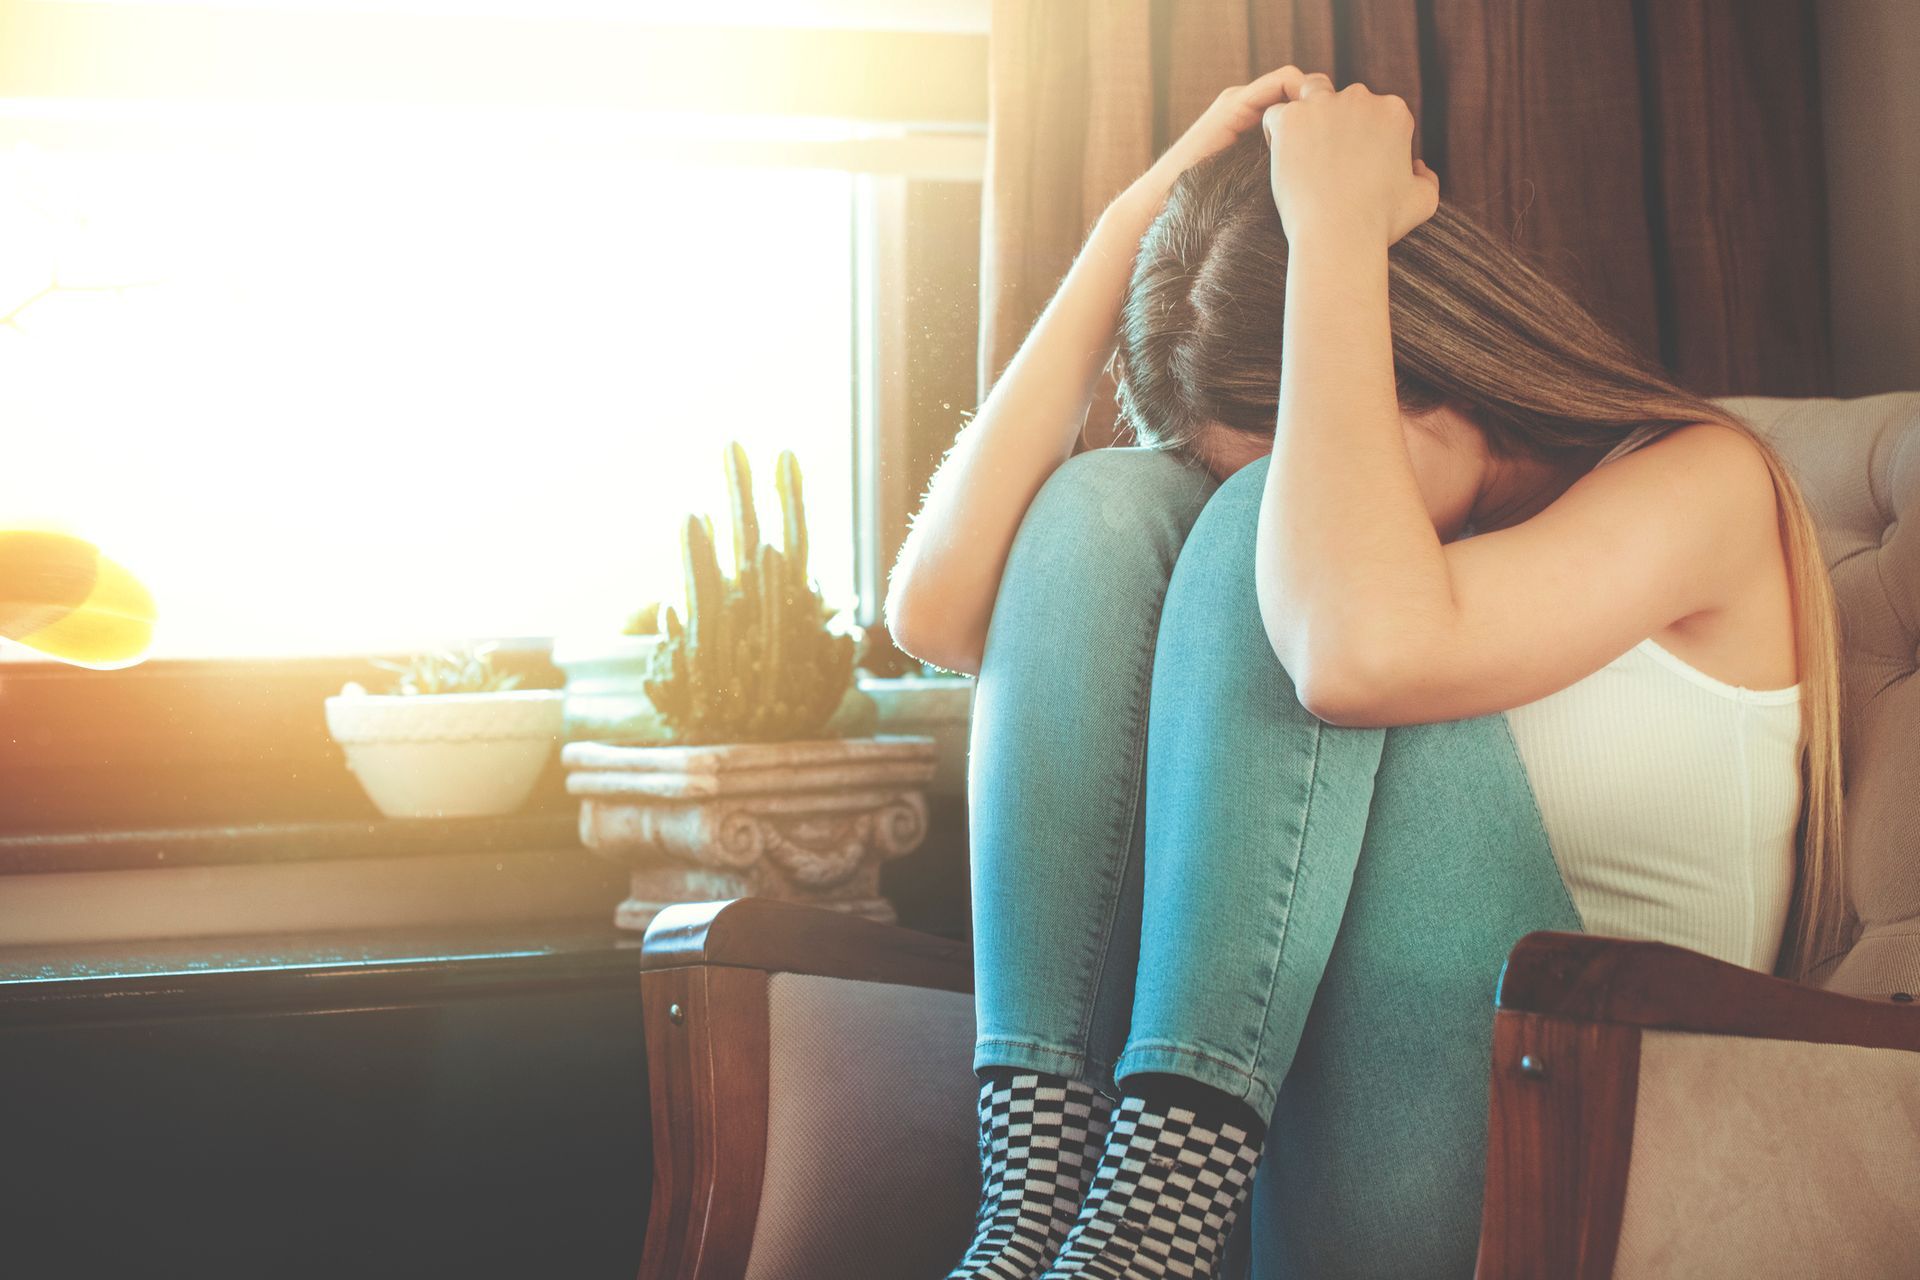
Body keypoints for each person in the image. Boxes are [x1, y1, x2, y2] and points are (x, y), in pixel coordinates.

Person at [885, 66, 1844, 1280]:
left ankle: (1141, 1232)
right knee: (1101, 503)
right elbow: (941, 610)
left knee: (1261, 540)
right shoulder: (1366, 573)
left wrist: (1336, 225)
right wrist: (1133, 224)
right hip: (1270, 1140)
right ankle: (1032, 1217)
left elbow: (1359, 651)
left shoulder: (1704, 482)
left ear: (1414, 358)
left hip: (1562, 1149)